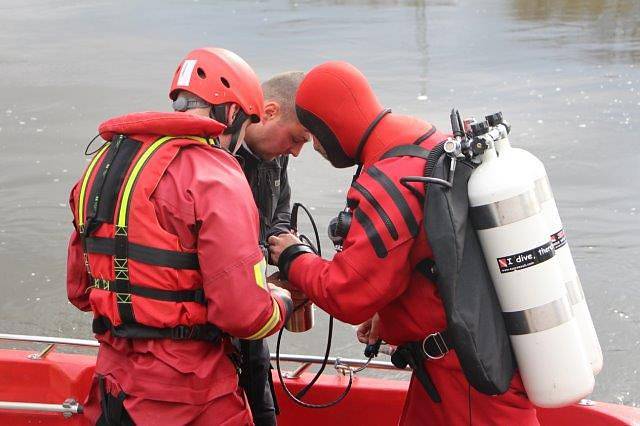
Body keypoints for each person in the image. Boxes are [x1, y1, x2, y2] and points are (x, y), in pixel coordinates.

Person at [268, 61, 539, 425]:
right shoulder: (425, 139)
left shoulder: (390, 178)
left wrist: (292, 257)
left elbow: (348, 294)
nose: (314, 145)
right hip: (464, 361)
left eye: (313, 133)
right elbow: (432, 253)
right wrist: (390, 315)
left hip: (467, 380)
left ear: (332, 124)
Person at [66, 47, 292, 425]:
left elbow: (79, 291)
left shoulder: (100, 167)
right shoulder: (215, 176)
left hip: (114, 388)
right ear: (233, 113)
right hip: (190, 396)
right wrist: (281, 301)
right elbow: (245, 315)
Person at [235, 71, 308, 426]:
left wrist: (290, 252)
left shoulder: (275, 156)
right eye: (295, 139)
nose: (295, 151)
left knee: (263, 412)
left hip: (255, 322)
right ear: (269, 111)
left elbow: (280, 212)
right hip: (218, 327)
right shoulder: (213, 159)